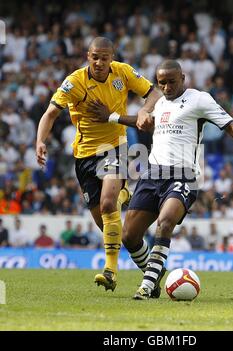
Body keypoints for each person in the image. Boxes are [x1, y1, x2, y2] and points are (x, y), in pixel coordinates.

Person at [88, 59, 233, 299]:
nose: (166, 87)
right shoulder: (160, 103)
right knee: (129, 236)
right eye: (161, 83)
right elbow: (143, 121)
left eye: (171, 82)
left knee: (165, 223)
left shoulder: (200, 99)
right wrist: (112, 117)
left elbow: (231, 127)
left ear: (183, 78)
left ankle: (146, 285)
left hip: (184, 175)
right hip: (153, 173)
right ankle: (155, 273)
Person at [36, 37, 161, 291]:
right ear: (87, 56)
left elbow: (154, 93)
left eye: (105, 57)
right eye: (95, 57)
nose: (100, 62)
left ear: (111, 58)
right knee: (108, 224)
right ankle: (150, 271)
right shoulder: (75, 82)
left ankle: (110, 271)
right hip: (83, 155)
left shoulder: (123, 73)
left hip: (115, 146)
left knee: (107, 204)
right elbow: (50, 113)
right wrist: (39, 141)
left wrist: (144, 111)